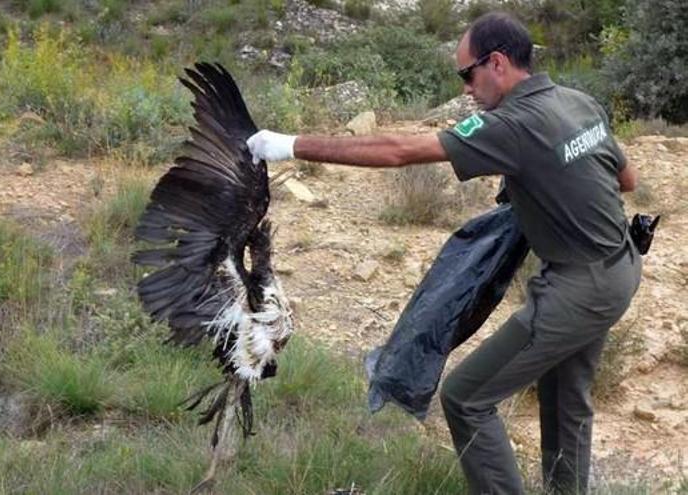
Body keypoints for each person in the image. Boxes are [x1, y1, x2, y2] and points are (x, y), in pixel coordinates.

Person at [246, 12, 641, 495]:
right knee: (566, 400)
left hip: (579, 288)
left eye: (466, 75)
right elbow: (627, 180)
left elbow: (398, 151)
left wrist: (288, 145)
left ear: (496, 63)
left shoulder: (513, 123)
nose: (467, 90)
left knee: (466, 398)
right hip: (621, 268)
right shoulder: (577, 102)